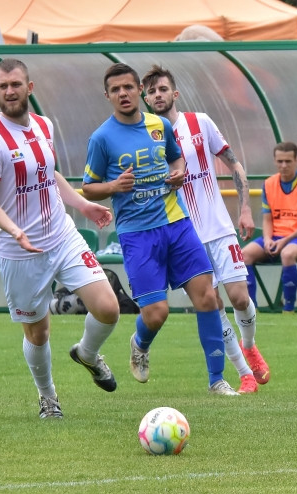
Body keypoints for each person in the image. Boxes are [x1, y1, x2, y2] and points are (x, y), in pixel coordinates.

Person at [0, 58, 120, 419]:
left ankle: (87, 353)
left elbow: (51, 175)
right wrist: (14, 230)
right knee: (38, 333)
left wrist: (83, 206)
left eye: (16, 85)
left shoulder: (43, 125)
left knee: (108, 307)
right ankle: (48, 397)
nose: (10, 91)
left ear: (29, 87)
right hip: (20, 251)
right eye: (3, 86)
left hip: (62, 236)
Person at [82, 62, 238, 397]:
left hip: (177, 223)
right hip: (137, 234)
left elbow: (176, 158)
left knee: (208, 297)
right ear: (107, 95)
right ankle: (139, 342)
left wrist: (179, 171)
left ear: (139, 89)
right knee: (156, 313)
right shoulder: (102, 138)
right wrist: (113, 186)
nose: (123, 94)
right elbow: (88, 188)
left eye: (128, 87)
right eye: (115, 90)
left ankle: (217, 380)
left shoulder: (160, 124)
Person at [141, 64, 270, 394]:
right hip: (185, 238)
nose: (158, 95)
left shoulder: (200, 123)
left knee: (240, 297)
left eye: (162, 89)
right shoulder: (146, 137)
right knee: (211, 303)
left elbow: (233, 162)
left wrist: (244, 208)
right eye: (151, 91)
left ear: (174, 93)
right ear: (145, 96)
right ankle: (242, 374)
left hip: (219, 228)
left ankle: (250, 345)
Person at [240, 142, 297, 313]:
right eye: (280, 161)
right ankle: (251, 310)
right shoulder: (269, 184)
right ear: (275, 161)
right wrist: (269, 239)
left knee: (287, 254)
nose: (283, 165)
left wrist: (284, 241)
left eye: (288, 161)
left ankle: (289, 308)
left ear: (296, 161)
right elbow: (267, 219)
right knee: (244, 255)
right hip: (277, 236)